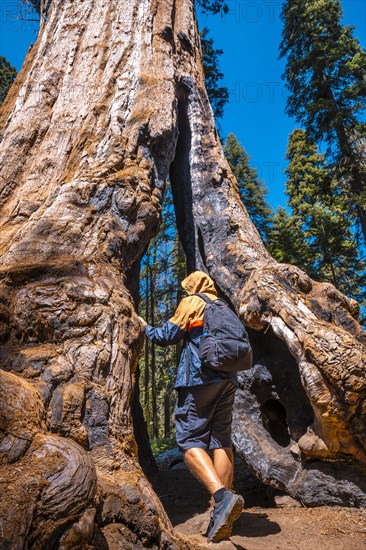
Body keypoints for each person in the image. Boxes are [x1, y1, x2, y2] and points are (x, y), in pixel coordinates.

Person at [139, 270, 244, 543]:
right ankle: (220, 512)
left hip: (199, 378)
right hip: (228, 378)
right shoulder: (223, 307)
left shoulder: (194, 301)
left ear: (192, 286)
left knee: (188, 439)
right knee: (221, 440)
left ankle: (221, 499)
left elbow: (168, 335)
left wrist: (143, 327)